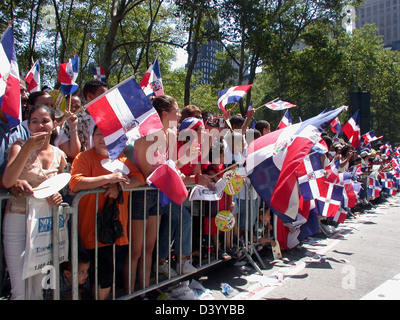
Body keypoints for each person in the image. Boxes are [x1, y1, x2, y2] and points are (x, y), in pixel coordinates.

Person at [69, 125, 145, 300]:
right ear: (92, 136)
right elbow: (76, 183)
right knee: (103, 272)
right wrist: (109, 178)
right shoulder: (84, 157)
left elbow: (139, 178)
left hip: (117, 226)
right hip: (94, 227)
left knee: (109, 272)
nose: (103, 139)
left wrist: (119, 185)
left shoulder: (122, 158)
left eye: (108, 135)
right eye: (98, 134)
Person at [2, 104, 67, 300]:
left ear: (54, 124)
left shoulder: (59, 154)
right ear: (28, 124)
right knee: (20, 290)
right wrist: (27, 148)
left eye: (45, 121)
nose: (40, 125)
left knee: (38, 289)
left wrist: (57, 196)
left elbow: (59, 185)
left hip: (45, 223)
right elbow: (7, 181)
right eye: (34, 121)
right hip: (18, 219)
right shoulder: (18, 146)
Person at [202, 142, 235, 260]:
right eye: (223, 153)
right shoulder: (211, 170)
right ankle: (218, 249)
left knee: (226, 220)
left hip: (224, 199)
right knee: (214, 223)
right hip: (214, 201)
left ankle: (228, 246)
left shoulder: (222, 167)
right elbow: (221, 183)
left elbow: (229, 183)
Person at [79, 80, 108, 151]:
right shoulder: (77, 120)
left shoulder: (108, 119)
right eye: (103, 96)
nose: (106, 99)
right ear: (90, 97)